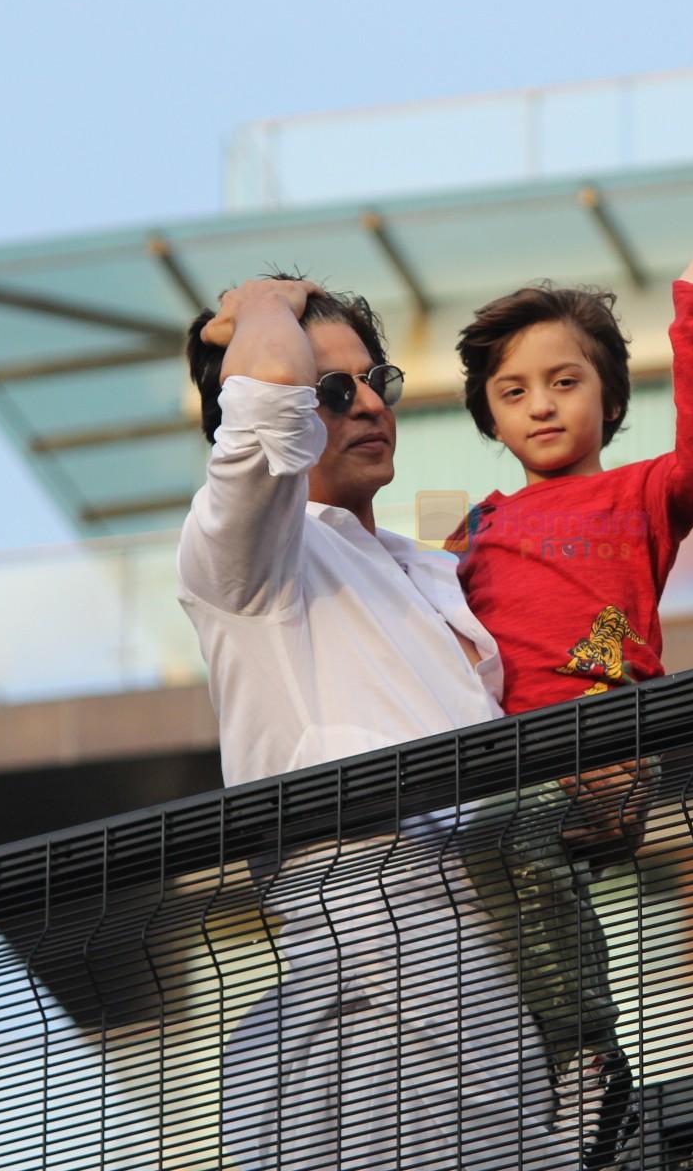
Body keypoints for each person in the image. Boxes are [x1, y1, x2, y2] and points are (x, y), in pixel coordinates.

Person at [176, 276, 614, 1171]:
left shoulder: (439, 570)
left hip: (504, 959)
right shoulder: (253, 559)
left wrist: (596, 792)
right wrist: (261, 306)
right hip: (372, 947)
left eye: (378, 379)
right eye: (333, 390)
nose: (371, 402)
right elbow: (261, 408)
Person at [445, 231, 693, 1152]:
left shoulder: (640, 495)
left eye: (565, 382)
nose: (540, 406)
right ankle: (539, 1079)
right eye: (512, 393)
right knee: (480, 882)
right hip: (502, 759)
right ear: (489, 417)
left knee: (508, 840)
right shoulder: (473, 525)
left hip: (599, 743)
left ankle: (591, 1060)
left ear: (611, 396)